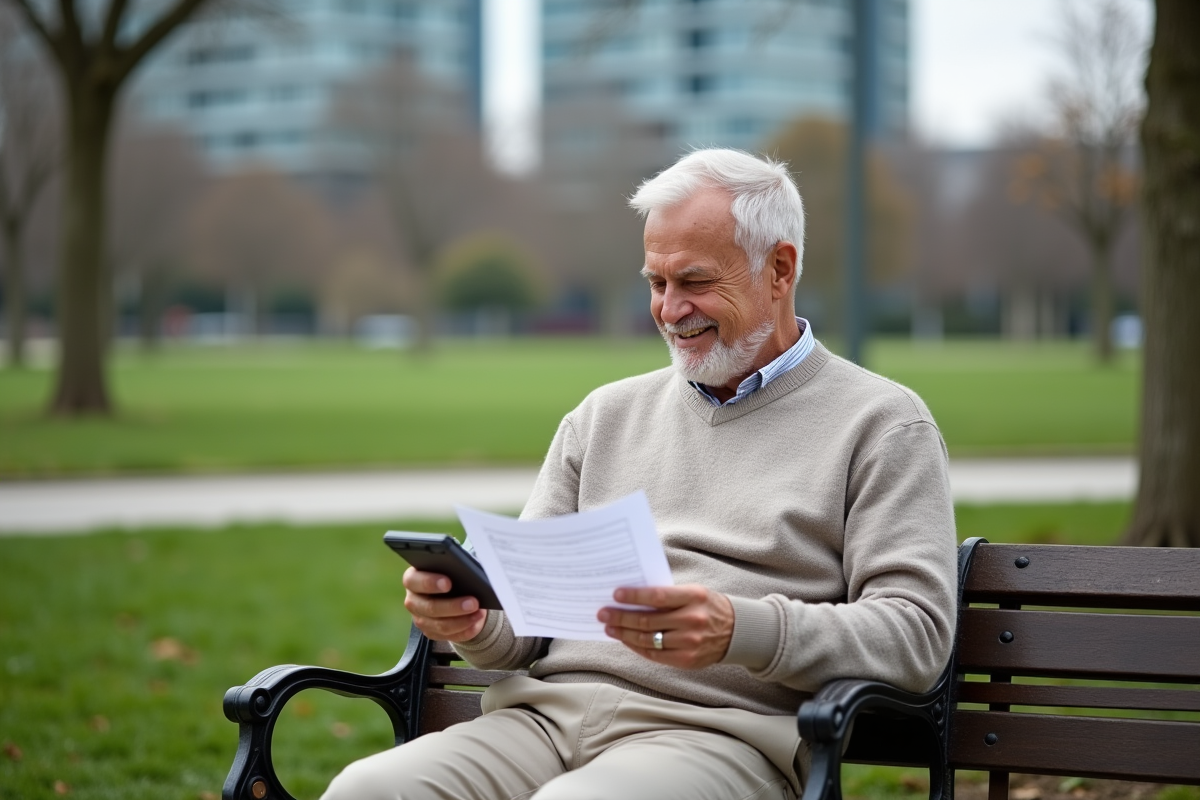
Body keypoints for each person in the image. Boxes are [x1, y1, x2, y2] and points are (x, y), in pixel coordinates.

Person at [322, 149, 958, 800]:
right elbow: (526, 626)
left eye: (695, 281)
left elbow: (915, 638)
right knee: (364, 790)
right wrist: (474, 621)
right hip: (544, 722)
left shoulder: (882, 424)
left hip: (722, 739)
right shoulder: (602, 416)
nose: (670, 309)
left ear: (780, 268)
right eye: (657, 283)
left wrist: (740, 629)